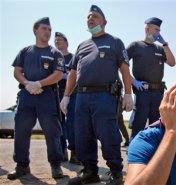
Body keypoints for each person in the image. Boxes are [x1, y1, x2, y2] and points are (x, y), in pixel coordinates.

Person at [60, 5, 133, 185]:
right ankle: (90, 171)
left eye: (95, 16)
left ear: (104, 21)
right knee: (83, 135)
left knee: (108, 134)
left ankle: (116, 172)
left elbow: (124, 69)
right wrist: (67, 96)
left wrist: (129, 94)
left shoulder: (115, 42)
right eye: (88, 17)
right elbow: (72, 73)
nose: (90, 19)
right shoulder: (82, 45)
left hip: (105, 96)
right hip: (82, 97)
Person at [8, 17, 65, 180]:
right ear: (35, 30)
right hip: (26, 96)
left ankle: (56, 166)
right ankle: (21, 165)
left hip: (47, 96)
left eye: (49, 29)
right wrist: (27, 84)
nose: (48, 32)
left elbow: (58, 74)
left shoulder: (55, 53)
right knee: (20, 131)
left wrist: (39, 83)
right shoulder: (25, 51)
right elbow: (17, 71)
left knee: (52, 132)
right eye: (44, 28)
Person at [127, 17, 176, 141]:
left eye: (159, 30)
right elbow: (122, 65)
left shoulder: (160, 49)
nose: (158, 33)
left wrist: (165, 44)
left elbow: (172, 62)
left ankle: (153, 152)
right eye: (156, 29)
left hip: (157, 92)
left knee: (156, 125)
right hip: (142, 91)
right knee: (138, 123)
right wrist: (133, 81)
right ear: (147, 28)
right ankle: (134, 152)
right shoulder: (136, 46)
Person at [54, 32, 80, 164]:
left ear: (66, 42)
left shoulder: (73, 57)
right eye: (55, 40)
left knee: (72, 124)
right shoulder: (53, 57)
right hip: (55, 94)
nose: (57, 42)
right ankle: (62, 151)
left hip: (71, 94)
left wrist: (66, 76)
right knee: (58, 124)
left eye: (59, 40)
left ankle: (74, 153)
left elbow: (76, 74)